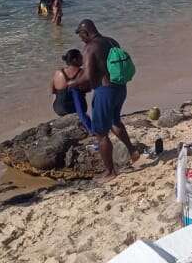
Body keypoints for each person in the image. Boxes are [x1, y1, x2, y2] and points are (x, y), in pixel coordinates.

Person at [76, 20, 139, 180]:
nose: (81, 39)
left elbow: (88, 76)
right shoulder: (111, 41)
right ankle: (132, 151)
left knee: (100, 133)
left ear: (86, 33)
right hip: (120, 87)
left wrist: (71, 84)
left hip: (105, 91)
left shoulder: (90, 47)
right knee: (114, 121)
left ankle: (110, 171)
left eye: (81, 35)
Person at [51, 49, 93, 132]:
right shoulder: (82, 73)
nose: (83, 59)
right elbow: (89, 89)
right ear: (75, 60)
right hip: (75, 109)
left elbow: (52, 91)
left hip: (58, 108)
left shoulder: (58, 72)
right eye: (81, 57)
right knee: (77, 93)